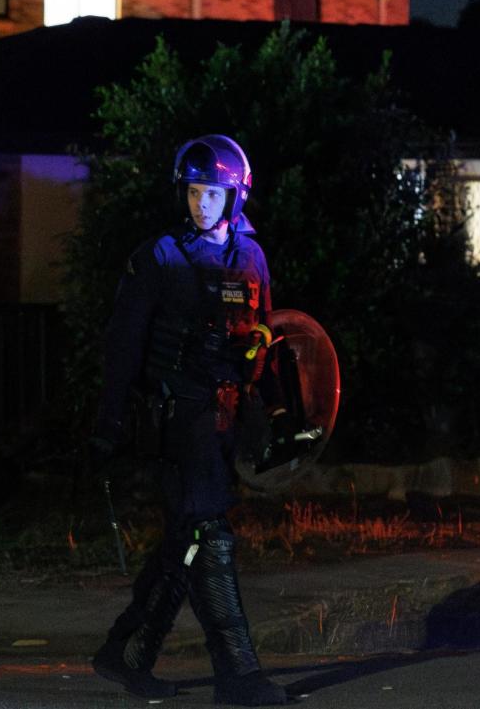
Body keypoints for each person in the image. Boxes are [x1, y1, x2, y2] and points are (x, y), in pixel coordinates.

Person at [89, 135, 287, 706]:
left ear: (235, 197)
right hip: (175, 419)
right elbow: (123, 345)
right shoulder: (160, 257)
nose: (201, 204)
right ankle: (238, 674)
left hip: (224, 420)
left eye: (213, 193)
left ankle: (126, 652)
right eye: (194, 192)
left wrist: (274, 410)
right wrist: (108, 421)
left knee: (184, 542)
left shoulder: (251, 257)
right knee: (211, 536)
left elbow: (264, 337)